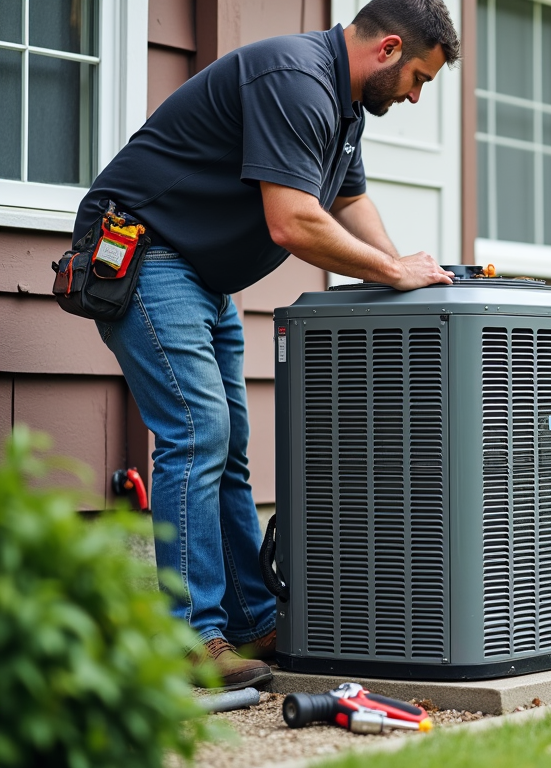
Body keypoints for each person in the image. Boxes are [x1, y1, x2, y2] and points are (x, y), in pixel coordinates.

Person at [72, 0, 460, 688]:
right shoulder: (296, 78)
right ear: (390, 48)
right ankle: (188, 638)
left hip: (201, 275)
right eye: (419, 78)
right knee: (198, 433)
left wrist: (410, 275)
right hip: (145, 253)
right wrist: (391, 273)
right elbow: (292, 222)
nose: (416, 95)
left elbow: (347, 201)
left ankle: (251, 621)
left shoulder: (341, 105)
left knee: (230, 448)